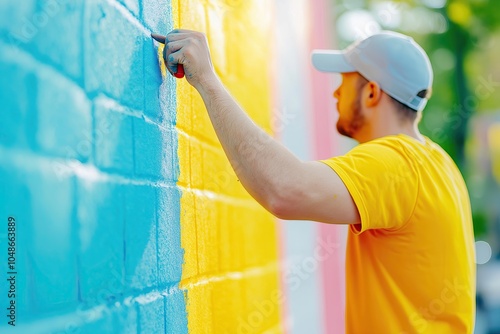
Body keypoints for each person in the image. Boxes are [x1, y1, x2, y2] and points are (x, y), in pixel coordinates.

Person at [153, 29, 476, 333]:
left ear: (373, 92)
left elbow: (285, 189)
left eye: (345, 81)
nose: (335, 92)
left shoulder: (397, 162)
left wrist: (207, 80)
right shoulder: (438, 163)